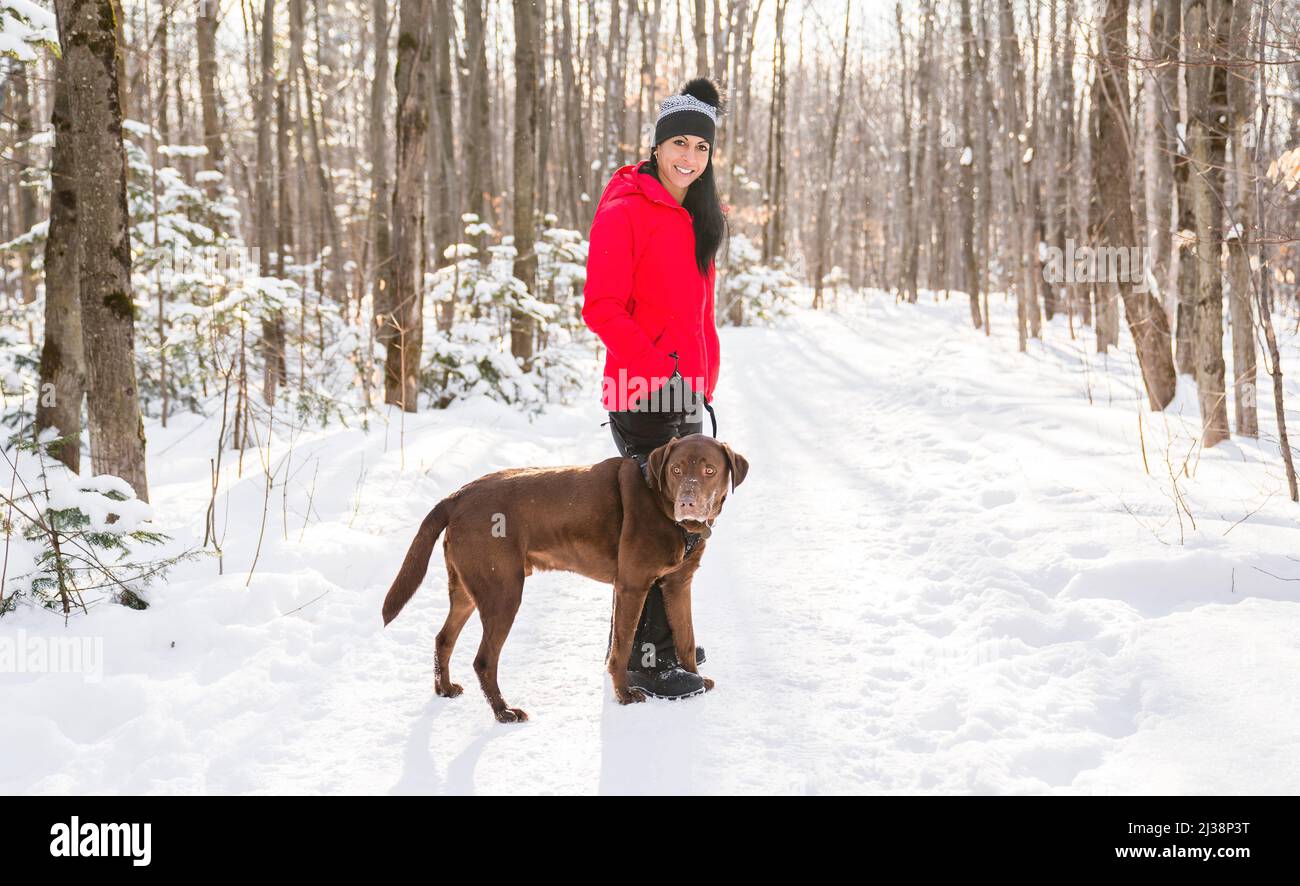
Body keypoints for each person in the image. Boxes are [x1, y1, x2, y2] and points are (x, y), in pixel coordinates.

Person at [580, 77, 727, 700]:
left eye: (701, 146)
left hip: (685, 392)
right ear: (658, 145)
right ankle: (643, 659)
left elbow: (700, 313)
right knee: (649, 530)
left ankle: (668, 640)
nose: (689, 157)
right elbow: (601, 308)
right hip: (642, 391)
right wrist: (660, 367)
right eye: (678, 144)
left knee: (682, 521)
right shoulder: (626, 209)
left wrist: (702, 376)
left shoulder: (699, 214)